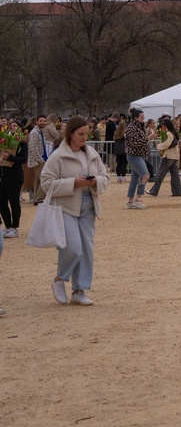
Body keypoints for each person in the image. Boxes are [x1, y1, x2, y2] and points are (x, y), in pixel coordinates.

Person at [41, 116, 110, 307]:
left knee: (86, 249)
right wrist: (73, 183)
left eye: (87, 133)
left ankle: (79, 289)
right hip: (66, 206)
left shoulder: (92, 154)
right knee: (72, 247)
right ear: (70, 133)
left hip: (89, 205)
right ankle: (59, 279)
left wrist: (95, 181)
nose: (85, 138)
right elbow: (46, 183)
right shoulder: (57, 156)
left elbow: (105, 177)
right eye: (81, 134)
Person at [1, 126, 28, 238]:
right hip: (2, 176)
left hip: (15, 175)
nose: (12, 129)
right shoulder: (2, 141)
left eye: (15, 127)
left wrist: (9, 157)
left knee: (14, 201)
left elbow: (23, 159)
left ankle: (14, 227)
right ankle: (7, 227)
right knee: (1, 202)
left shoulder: (21, 143)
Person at [147, 118, 181, 197]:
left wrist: (159, 146)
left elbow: (167, 144)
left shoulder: (169, 133)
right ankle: (177, 191)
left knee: (160, 174)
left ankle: (154, 190)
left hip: (168, 156)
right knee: (175, 175)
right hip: (174, 156)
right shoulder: (173, 133)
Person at [124, 109, 150, 209]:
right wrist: (148, 138)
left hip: (140, 155)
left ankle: (130, 201)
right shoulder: (131, 128)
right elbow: (135, 143)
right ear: (136, 118)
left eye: (143, 117)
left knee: (134, 179)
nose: (143, 119)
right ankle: (138, 198)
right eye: (141, 117)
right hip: (134, 155)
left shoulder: (140, 126)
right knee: (145, 175)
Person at [26, 114, 50, 204]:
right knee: (45, 179)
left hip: (42, 158)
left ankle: (36, 198)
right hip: (39, 160)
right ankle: (38, 199)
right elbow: (33, 148)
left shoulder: (41, 131)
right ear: (37, 121)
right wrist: (40, 160)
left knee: (38, 180)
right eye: (41, 121)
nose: (42, 122)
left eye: (44, 121)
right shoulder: (34, 133)